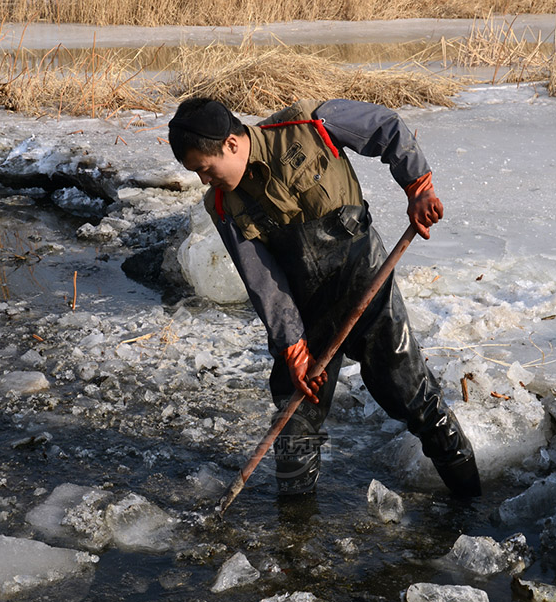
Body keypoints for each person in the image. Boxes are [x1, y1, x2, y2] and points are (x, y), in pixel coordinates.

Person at [167, 96, 481, 499]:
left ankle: (470, 505)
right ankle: (295, 534)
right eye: (196, 173)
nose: (204, 181)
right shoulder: (223, 205)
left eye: (205, 170)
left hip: (364, 284)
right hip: (303, 310)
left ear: (230, 144)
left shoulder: (309, 125)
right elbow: (261, 277)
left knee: (411, 394)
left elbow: (387, 127)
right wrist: (292, 345)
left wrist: (417, 187)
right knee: (295, 418)